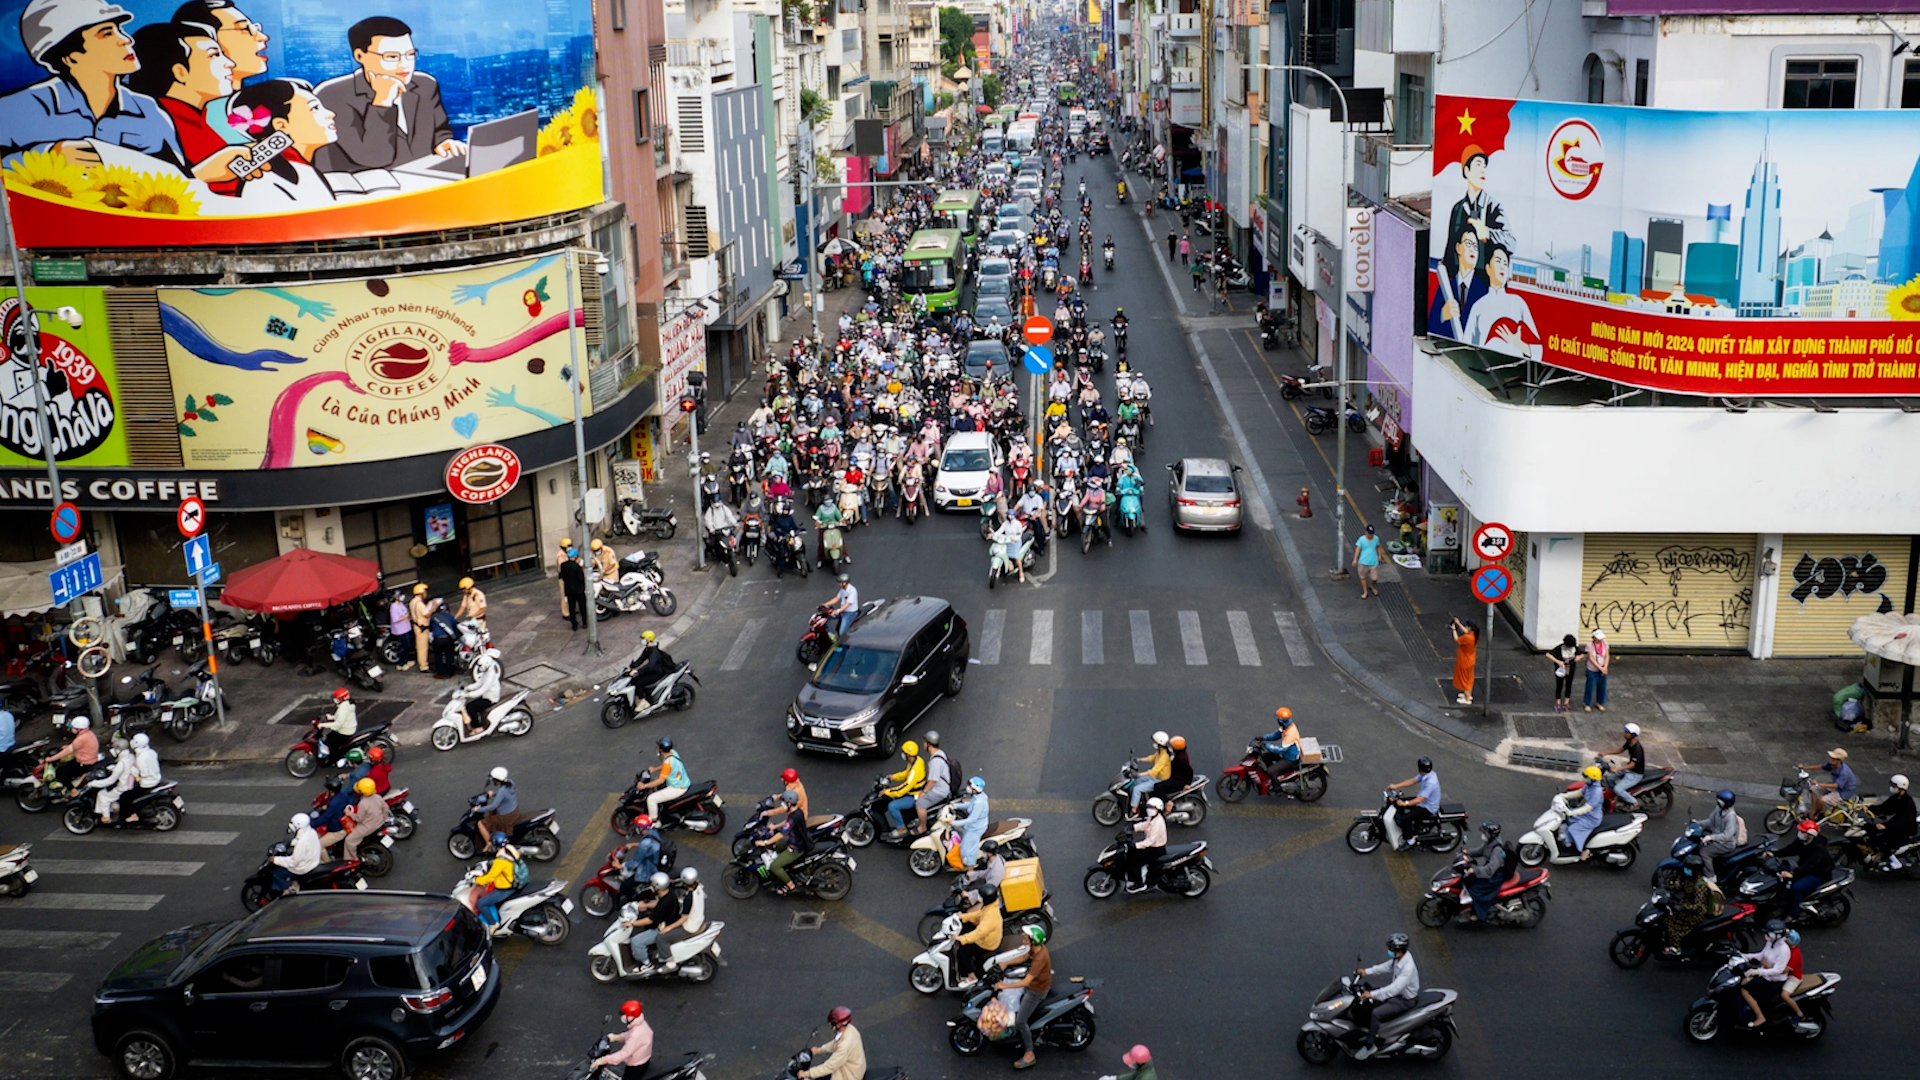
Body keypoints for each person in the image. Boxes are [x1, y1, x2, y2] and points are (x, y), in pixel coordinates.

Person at [0, 0, 182, 170]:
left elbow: (182, 182)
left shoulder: (149, 110)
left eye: (119, 29)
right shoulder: (14, 108)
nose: (127, 39)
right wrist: (46, 156)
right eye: (107, 33)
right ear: (70, 56)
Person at [312, 16, 462, 173]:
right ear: (359, 56)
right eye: (391, 57)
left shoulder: (425, 84)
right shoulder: (332, 94)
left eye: (410, 54)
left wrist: (444, 143)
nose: (405, 64)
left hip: (424, 182)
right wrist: (383, 100)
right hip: (363, 191)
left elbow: (440, 130)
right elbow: (375, 158)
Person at [126, 20, 252, 191]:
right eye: (214, 55)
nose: (230, 63)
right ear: (180, 72)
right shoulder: (151, 123)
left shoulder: (200, 119)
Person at [995, 925, 1053, 1070]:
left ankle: (1029, 1053)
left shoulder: (1039, 958)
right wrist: (1006, 962)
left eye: (1026, 936)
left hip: (1036, 991)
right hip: (1035, 984)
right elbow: (1024, 957)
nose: (1023, 937)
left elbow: (1027, 982)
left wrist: (1004, 986)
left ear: (1032, 941)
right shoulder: (1036, 949)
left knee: (1021, 1021)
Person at [1354, 933, 1419, 1059]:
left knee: (1376, 1013)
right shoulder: (1399, 958)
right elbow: (1386, 966)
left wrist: (1371, 994)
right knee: (1372, 1002)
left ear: (1398, 951)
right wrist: (1367, 971)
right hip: (1398, 995)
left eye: (1391, 949)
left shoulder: (1408, 968)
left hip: (1405, 1000)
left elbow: (1394, 989)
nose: (1389, 951)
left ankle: (1369, 1046)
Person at [1737, 921, 1806, 1028]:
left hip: (1774, 980)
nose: (1766, 935)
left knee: (1745, 990)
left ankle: (1760, 1017)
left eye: (1769, 933)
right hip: (1766, 975)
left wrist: (1758, 972)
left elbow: (1779, 970)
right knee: (1742, 981)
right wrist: (1744, 956)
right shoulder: (1771, 943)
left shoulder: (1784, 950)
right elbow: (1762, 955)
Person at [322, 777, 390, 860]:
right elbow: (385, 808)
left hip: (367, 827)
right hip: (379, 822)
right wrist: (383, 818)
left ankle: (351, 860)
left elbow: (359, 819)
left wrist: (349, 814)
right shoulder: (377, 797)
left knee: (349, 841)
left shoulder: (363, 803)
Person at [1661, 853, 1715, 956]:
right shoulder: (1690, 878)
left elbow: (1698, 905)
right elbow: (1681, 886)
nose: (1686, 870)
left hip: (1695, 913)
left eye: (1688, 868)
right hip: (1686, 905)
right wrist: (1669, 885)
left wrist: (1682, 907)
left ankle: (1676, 948)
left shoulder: (1700, 885)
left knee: (1672, 922)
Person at [760, 789, 811, 895]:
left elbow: (781, 834)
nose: (783, 805)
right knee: (777, 847)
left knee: (775, 866)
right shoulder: (797, 812)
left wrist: (765, 842)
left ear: (789, 803)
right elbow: (787, 822)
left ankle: (791, 885)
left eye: (784, 802)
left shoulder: (793, 817)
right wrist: (775, 826)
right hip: (798, 841)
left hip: (795, 848)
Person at [952, 882, 1002, 986]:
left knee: (962, 952)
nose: (979, 898)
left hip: (987, 944)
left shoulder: (990, 917)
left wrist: (961, 939)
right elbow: (978, 915)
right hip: (987, 938)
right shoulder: (990, 907)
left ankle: (971, 976)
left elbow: (978, 933)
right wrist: (964, 917)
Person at [1385, 758, 1441, 850]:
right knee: (1398, 803)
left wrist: (1406, 803)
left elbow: (1420, 800)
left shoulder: (1431, 782)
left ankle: (1410, 840)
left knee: (1405, 819)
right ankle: (1406, 829)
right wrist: (1396, 786)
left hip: (1427, 807)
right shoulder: (1426, 774)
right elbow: (1412, 781)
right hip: (1422, 801)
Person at [1775, 818, 1834, 905]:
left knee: (1796, 887)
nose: (1800, 833)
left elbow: (1810, 866)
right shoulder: (1803, 841)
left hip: (1818, 874)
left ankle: (1793, 913)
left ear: (1810, 835)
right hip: (1804, 867)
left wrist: (1793, 874)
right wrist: (1774, 854)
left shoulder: (1818, 848)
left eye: (1803, 831)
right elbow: (1791, 849)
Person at [632, 737, 691, 821]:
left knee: (651, 799)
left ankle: (653, 821)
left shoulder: (667, 762)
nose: (656, 748)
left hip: (676, 788)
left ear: (661, 750)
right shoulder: (673, 753)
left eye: (658, 747)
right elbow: (666, 767)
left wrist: (644, 785)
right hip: (684, 782)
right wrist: (654, 769)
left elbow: (660, 780)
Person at [470, 839, 523, 929]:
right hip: (517, 882)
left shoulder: (500, 861)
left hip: (506, 889)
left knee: (481, 904)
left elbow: (490, 877)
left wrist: (477, 880)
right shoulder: (510, 851)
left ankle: (493, 924)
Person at [589, 1000, 653, 1074]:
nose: (623, 1017)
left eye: (625, 1015)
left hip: (636, 1065)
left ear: (632, 1016)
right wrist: (616, 1037)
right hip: (644, 1057)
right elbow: (629, 1035)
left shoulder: (635, 1036)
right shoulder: (641, 1024)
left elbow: (622, 1054)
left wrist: (603, 1060)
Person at [800, 1006, 865, 1080]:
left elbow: (830, 1066)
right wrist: (819, 1050)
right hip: (853, 1068)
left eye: (833, 1023)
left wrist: (807, 1074)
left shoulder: (845, 1045)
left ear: (839, 1024)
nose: (831, 1025)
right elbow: (836, 1043)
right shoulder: (850, 1029)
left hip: (849, 1076)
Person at [1460, 822, 1507, 923]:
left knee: (1475, 891)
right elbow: (1480, 851)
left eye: (1485, 833)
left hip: (1494, 876)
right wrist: (1467, 852)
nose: (1483, 835)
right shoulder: (1490, 844)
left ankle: (1480, 914)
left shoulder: (1497, 850)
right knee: (1469, 880)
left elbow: (1490, 869)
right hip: (1489, 871)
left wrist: (1475, 870)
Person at [1865, 774, 1915, 868]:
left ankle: (1895, 862)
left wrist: (1886, 826)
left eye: (1894, 786)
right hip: (1896, 823)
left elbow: (1905, 821)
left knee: (1881, 839)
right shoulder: (1896, 797)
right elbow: (1885, 808)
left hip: (1904, 828)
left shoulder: (1907, 802)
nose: (1892, 788)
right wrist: (1869, 809)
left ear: (1901, 788)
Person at [911, 730, 953, 837]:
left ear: (928, 744)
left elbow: (932, 781)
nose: (923, 744)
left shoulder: (935, 762)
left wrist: (923, 793)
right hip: (944, 786)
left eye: (924, 742)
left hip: (940, 791)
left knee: (919, 804)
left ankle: (922, 827)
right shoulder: (940, 753)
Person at [881, 740, 927, 835]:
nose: (902, 754)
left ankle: (901, 828)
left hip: (914, 796)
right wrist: (893, 777)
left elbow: (905, 787)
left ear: (908, 755)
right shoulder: (917, 760)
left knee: (892, 806)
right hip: (914, 792)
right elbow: (906, 773)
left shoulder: (915, 770)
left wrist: (888, 791)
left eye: (904, 753)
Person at [1793, 748, 1857, 815]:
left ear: (1838, 760)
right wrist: (1805, 767)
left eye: (1833, 758)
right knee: (1813, 789)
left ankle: (1814, 814)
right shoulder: (1832, 764)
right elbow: (1820, 767)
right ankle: (1813, 811)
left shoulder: (1844, 772)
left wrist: (1818, 783)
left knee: (1822, 800)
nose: (1830, 759)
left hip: (1842, 792)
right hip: (1835, 787)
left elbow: (1836, 785)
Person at [1123, 797, 1167, 893]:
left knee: (1134, 859)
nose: (1149, 810)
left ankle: (1138, 883)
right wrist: (1133, 827)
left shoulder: (1158, 823)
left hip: (1155, 849)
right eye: (1148, 807)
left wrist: (1135, 846)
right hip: (1152, 847)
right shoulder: (1153, 818)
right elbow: (1145, 825)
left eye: (1152, 808)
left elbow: (1150, 842)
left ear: (1158, 809)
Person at [1561, 766, 1606, 858]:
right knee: (1567, 818)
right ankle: (1569, 841)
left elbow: (1587, 808)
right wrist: (1564, 796)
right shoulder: (1589, 786)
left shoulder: (1596, 792)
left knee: (1573, 829)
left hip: (1592, 818)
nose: (1584, 778)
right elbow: (1580, 792)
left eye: (1586, 777)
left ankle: (1582, 850)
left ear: (1592, 779)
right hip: (1586, 815)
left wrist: (1572, 812)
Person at [270, 812, 321, 894]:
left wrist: (275, 860)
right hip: (313, 862)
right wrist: (291, 843)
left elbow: (293, 862)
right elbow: (302, 841)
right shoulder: (311, 831)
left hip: (304, 867)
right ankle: (295, 885)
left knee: (277, 874)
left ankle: (286, 893)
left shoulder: (302, 842)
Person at [46, 715, 100, 788]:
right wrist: (68, 747)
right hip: (90, 758)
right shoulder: (89, 733)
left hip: (84, 763)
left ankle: (72, 791)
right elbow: (78, 746)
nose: (72, 729)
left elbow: (68, 751)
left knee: (60, 773)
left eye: (74, 728)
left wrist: (52, 758)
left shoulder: (81, 738)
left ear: (79, 729)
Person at [460, 645, 502, 738]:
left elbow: (483, 689)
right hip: (485, 696)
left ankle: (478, 727)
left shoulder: (490, 675)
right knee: (470, 706)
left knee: (471, 708)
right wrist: (468, 688)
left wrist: (468, 695)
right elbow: (479, 683)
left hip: (490, 698)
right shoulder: (487, 672)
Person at [1700, 789, 1742, 878]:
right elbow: (1710, 821)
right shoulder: (1718, 809)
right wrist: (1698, 823)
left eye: (1720, 802)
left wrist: (1711, 838)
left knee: (1704, 852)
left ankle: (1710, 875)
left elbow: (1727, 836)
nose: (1718, 803)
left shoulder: (1730, 817)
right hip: (1716, 836)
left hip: (1725, 844)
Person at [474, 765, 518, 846]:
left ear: (496, 780)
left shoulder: (502, 791)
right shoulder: (510, 783)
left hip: (505, 817)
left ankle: (489, 844)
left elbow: (494, 805)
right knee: (491, 813)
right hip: (514, 811)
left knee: (480, 823)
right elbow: (505, 794)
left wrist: (478, 809)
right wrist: (493, 793)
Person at [952, 776, 991, 865]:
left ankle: (970, 870)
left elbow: (971, 819)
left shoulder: (979, 803)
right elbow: (970, 805)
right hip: (972, 826)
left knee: (968, 850)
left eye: (970, 786)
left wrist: (954, 823)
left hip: (975, 828)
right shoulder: (978, 797)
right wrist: (956, 806)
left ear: (975, 789)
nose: (968, 788)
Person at [1129, 730, 1172, 809]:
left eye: (1155, 742)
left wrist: (1139, 774)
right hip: (1156, 777)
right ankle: (1140, 801)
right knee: (1136, 781)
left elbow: (1154, 771)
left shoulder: (1164, 757)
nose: (1154, 743)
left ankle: (1134, 809)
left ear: (1159, 743)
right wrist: (1139, 760)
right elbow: (1152, 758)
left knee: (1137, 789)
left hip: (1159, 779)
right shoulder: (1160, 752)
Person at [1609, 723, 1646, 810]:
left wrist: (1617, 768)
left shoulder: (1637, 749)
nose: (1624, 734)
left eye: (1626, 733)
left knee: (1618, 789)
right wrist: (1605, 753)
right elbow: (1620, 750)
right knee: (1609, 777)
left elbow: (1632, 765)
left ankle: (1634, 802)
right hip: (1629, 770)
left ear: (1632, 735)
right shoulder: (1629, 742)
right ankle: (1617, 796)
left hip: (1635, 774)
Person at [1150, 736, 1194, 805]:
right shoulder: (1179, 754)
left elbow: (1190, 771)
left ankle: (1168, 803)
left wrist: (1187, 784)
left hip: (1178, 781)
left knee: (1158, 787)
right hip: (1173, 777)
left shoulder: (1181, 758)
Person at [316, 686, 355, 760]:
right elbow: (344, 717)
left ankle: (338, 758)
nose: (335, 700)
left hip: (344, 732)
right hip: (349, 728)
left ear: (341, 699)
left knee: (329, 743)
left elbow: (338, 724)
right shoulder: (348, 705)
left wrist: (323, 725)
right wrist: (331, 717)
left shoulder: (343, 709)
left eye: (337, 698)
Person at [1546, 633, 1580, 713]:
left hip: (1570, 670)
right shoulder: (1559, 648)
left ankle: (1566, 702)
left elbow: (1581, 654)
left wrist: (1578, 658)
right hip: (1560, 670)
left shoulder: (1574, 649)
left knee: (1569, 685)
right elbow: (1548, 654)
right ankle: (1558, 703)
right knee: (1559, 685)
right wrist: (1558, 662)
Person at [558, 545, 588, 631]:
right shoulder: (577, 567)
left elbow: (562, 576)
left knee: (571, 607)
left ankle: (574, 624)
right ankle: (584, 622)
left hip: (569, 590)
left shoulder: (563, 566)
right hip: (579, 590)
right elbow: (581, 579)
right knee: (582, 607)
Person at [1449, 616, 1478, 705]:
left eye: (1466, 626)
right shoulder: (1474, 635)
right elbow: (1466, 632)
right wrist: (1458, 623)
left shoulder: (1467, 638)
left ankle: (1467, 699)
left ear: (1470, 627)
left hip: (1464, 661)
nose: (1465, 628)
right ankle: (1468, 695)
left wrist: (1454, 629)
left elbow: (1457, 639)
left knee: (1464, 680)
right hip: (1471, 660)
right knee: (1469, 678)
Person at [409, 582, 435, 673]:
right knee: (422, 648)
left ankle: (423, 664)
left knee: (421, 646)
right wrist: (434, 607)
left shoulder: (413, 601)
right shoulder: (419, 603)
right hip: (422, 628)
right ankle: (424, 666)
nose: (426, 593)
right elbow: (427, 614)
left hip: (417, 626)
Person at [1582, 629, 1610, 712]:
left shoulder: (1605, 643)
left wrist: (1605, 667)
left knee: (1602, 686)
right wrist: (1600, 667)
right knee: (1590, 686)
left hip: (1603, 668)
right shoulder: (1589, 645)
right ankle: (1587, 703)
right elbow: (1591, 658)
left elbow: (1607, 655)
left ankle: (1600, 702)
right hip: (1592, 669)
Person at [826, 572, 860, 640]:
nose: (838, 584)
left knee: (842, 633)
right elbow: (836, 598)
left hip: (849, 614)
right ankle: (831, 634)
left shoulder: (852, 591)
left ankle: (843, 644)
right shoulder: (842, 589)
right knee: (826, 617)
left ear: (844, 583)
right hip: (843, 611)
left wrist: (838, 611)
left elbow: (848, 604)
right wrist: (825, 604)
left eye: (840, 582)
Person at [1352, 525, 1382, 599]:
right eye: (1369, 533)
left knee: (1374, 578)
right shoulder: (1361, 539)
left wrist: (1380, 555)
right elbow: (1357, 549)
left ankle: (1372, 586)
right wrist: (1355, 559)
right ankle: (1365, 592)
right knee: (1363, 577)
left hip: (1373, 562)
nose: (1370, 535)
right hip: (1363, 562)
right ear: (1366, 533)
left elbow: (1378, 546)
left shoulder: (1376, 538)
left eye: (1372, 534)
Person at [387, 591, 413, 669]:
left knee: (408, 645)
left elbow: (405, 612)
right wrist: (405, 617)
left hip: (406, 627)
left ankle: (406, 660)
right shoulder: (393, 607)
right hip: (400, 630)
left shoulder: (401, 604)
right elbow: (395, 619)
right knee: (404, 646)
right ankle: (401, 663)